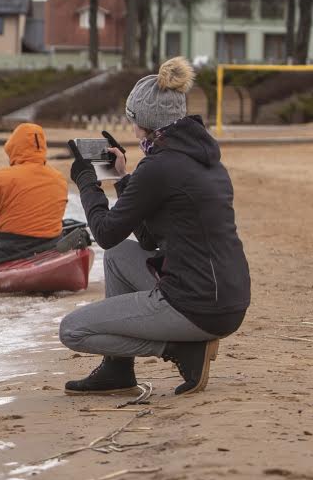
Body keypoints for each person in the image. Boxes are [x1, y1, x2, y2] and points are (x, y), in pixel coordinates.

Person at [59, 57, 251, 395]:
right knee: (119, 254)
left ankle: (181, 350)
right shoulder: (201, 159)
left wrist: (87, 182)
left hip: (198, 305)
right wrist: (120, 178)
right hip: (226, 297)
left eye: (131, 120)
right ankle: (117, 369)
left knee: (72, 330)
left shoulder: (160, 167)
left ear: (143, 122)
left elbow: (103, 232)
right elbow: (147, 237)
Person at [0, 122, 74, 265]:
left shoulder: (1, 177)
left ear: (13, 148)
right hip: (51, 244)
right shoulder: (59, 178)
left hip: (10, 248)